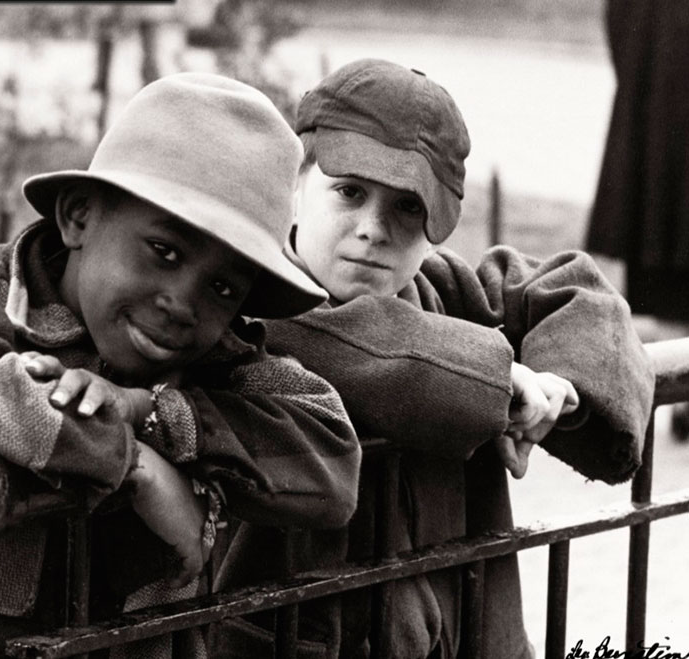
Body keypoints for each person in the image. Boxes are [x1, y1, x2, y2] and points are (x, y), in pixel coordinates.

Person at [0, 72, 361, 659]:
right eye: (164, 251)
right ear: (79, 216)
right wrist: (132, 464)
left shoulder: (214, 357)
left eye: (222, 287)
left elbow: (331, 461)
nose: (183, 303)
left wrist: (154, 413)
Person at [210, 59, 655, 659]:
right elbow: (363, 345)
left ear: (439, 225)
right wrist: (498, 382)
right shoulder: (244, 307)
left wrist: (560, 385)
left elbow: (583, 295)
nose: (373, 228)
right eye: (349, 191)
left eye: (408, 208)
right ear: (296, 182)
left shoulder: (445, 292)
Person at [585, 0, 689, 440]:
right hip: (657, 108)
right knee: (665, 256)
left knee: (661, 247)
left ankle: (680, 394)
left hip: (652, 115)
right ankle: (680, 394)